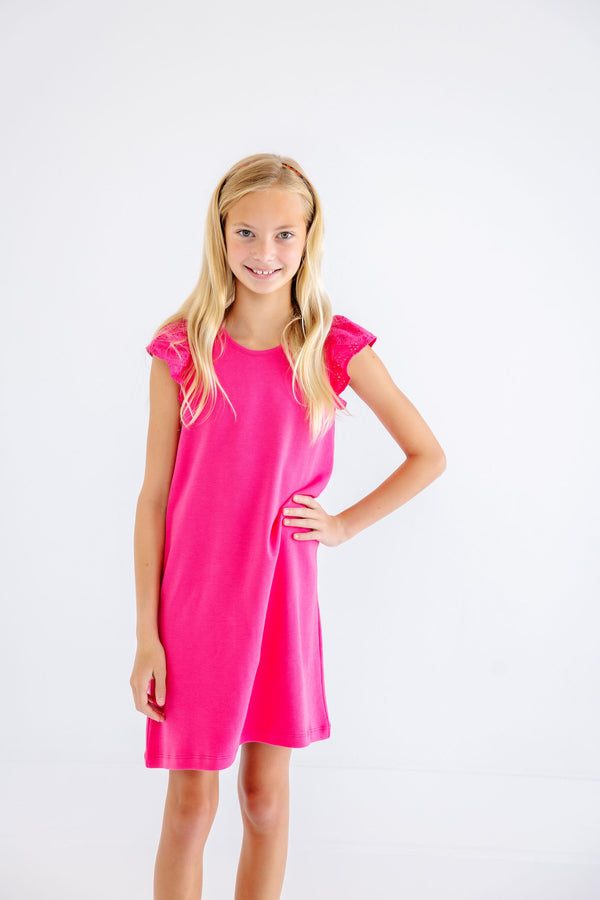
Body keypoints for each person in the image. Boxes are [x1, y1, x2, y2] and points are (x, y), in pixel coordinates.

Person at [130, 152, 446, 899]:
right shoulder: (181, 350)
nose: (264, 252)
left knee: (264, 799)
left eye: (283, 235)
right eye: (245, 232)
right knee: (189, 807)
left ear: (308, 238)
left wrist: (341, 525)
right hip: (195, 607)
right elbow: (153, 499)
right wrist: (147, 635)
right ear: (220, 234)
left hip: (281, 601)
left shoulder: (332, 347)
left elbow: (426, 455)